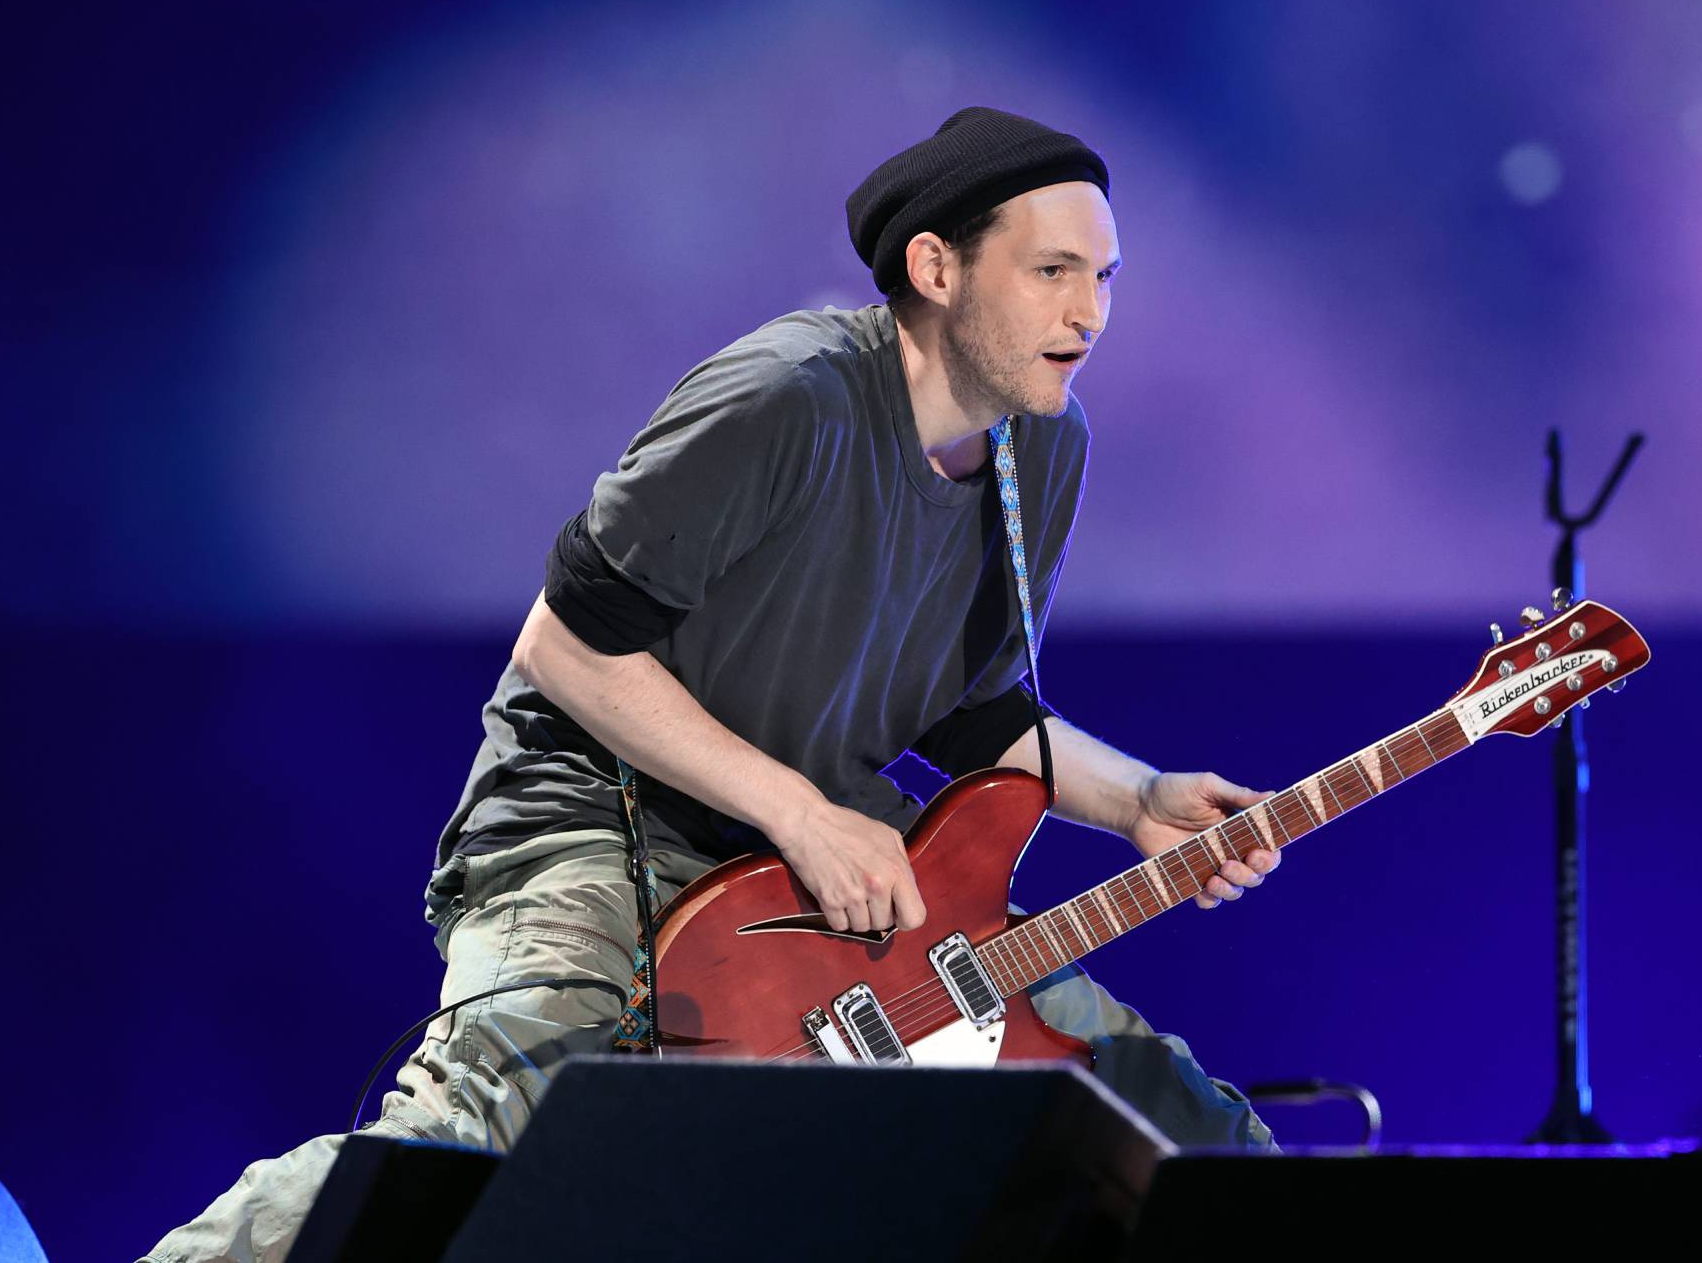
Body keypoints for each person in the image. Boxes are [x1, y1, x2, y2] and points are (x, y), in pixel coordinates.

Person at [144, 106, 1280, 1263]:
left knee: (1157, 1126)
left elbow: (971, 705)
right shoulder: (789, 393)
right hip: (597, 821)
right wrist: (799, 811)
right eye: (1050, 272)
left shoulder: (1043, 444)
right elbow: (568, 642)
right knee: (484, 1136)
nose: (1087, 312)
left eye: (1103, 275)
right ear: (935, 267)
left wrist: (1139, 800)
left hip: (808, 859)